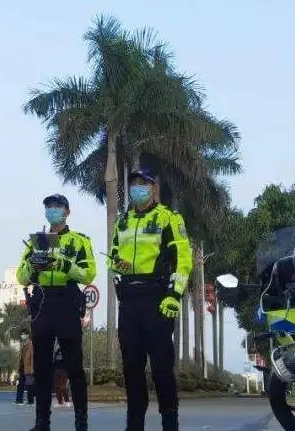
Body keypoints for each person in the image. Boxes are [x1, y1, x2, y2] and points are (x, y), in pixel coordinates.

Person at [109, 169, 192, 431]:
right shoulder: (122, 221)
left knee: (162, 370)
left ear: (154, 188)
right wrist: (117, 267)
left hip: (157, 301)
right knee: (132, 370)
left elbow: (183, 260)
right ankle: (134, 425)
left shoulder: (168, 218)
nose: (138, 188)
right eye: (134, 183)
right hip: (129, 303)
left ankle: (170, 424)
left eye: (143, 183)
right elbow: (113, 256)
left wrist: (174, 295)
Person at [17, 193, 96, 431]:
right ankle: (42, 422)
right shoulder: (35, 242)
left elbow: (88, 274)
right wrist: (32, 265)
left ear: (67, 212)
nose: (52, 210)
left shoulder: (79, 241)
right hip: (42, 303)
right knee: (41, 367)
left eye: (57, 206)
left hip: (67, 302)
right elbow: (21, 276)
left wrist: (65, 265)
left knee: (74, 366)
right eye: (49, 207)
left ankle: (81, 422)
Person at [16, 329, 35, 405]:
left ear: (28, 335)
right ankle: (19, 400)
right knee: (20, 384)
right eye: (21, 334)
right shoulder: (22, 343)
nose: (22, 335)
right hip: (22, 366)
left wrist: (32, 368)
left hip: (29, 367)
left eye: (24, 334)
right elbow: (20, 356)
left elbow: (32, 357)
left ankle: (30, 401)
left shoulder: (31, 344)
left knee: (29, 384)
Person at [53, 340, 71, 407]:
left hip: (64, 366)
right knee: (57, 385)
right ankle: (60, 402)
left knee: (63, 385)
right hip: (56, 366)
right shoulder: (55, 343)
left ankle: (67, 401)